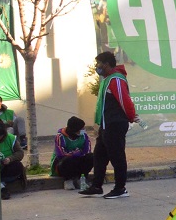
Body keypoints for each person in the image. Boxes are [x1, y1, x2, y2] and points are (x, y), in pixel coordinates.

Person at [80, 51, 138, 199]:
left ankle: (121, 188)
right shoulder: (107, 80)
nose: (97, 67)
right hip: (106, 125)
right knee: (99, 156)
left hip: (115, 124)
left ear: (106, 64)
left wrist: (131, 116)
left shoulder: (116, 79)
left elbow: (125, 101)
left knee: (117, 156)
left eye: (98, 64)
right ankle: (97, 186)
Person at [51, 116, 93, 191]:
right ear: (74, 130)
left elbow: (87, 150)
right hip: (62, 163)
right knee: (68, 160)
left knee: (91, 157)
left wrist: (78, 154)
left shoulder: (84, 136)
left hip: (78, 160)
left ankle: (81, 179)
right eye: (81, 129)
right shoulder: (60, 136)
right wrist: (75, 153)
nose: (83, 130)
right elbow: (61, 154)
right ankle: (68, 180)